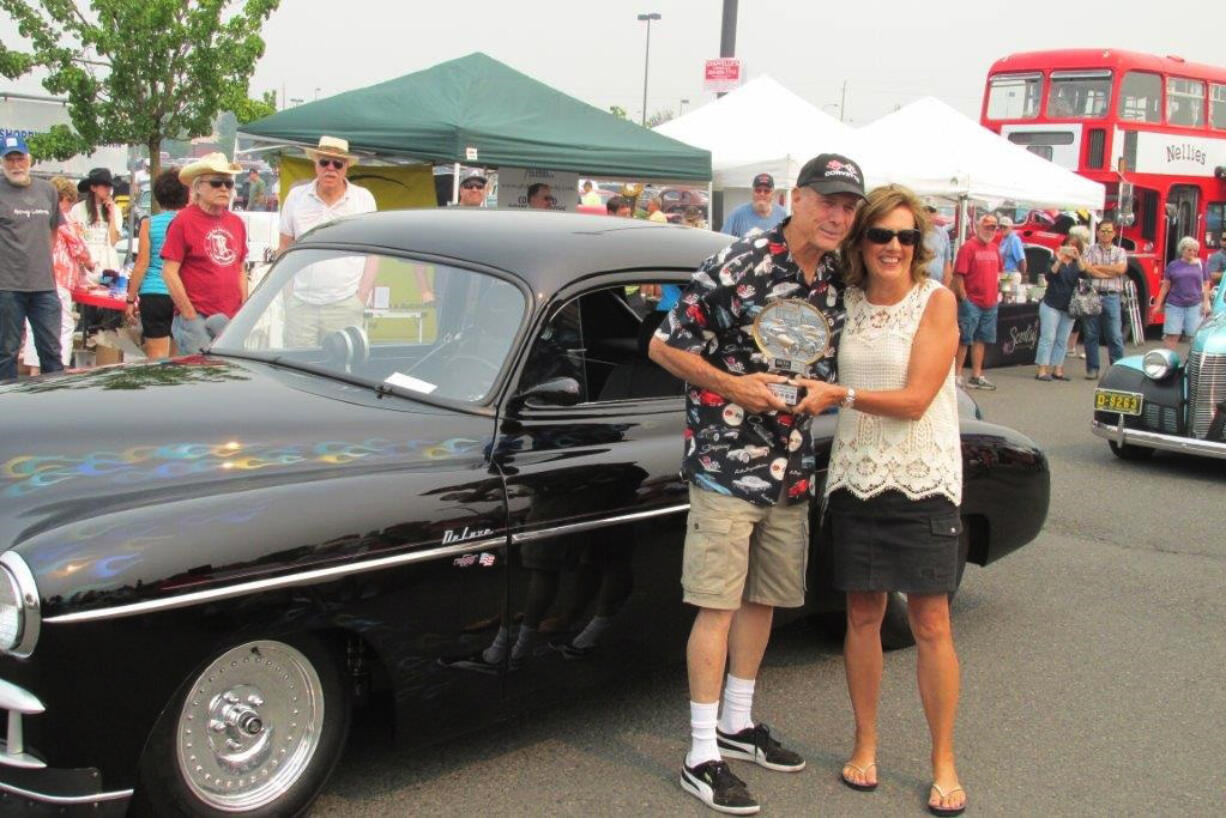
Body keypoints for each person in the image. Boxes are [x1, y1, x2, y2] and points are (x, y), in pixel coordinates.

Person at [649, 152, 866, 815]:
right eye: (826, 200)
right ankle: (699, 754)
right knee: (716, 602)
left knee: (764, 599)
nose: (837, 215)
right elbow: (664, 345)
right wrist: (733, 385)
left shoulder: (834, 275)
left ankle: (737, 725)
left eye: (848, 206)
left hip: (791, 462)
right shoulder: (740, 261)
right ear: (795, 199)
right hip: (726, 460)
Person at [801, 184, 965, 817]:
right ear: (861, 240)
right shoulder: (843, 304)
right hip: (855, 477)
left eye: (906, 237)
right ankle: (864, 743)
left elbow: (917, 399)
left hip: (923, 479)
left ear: (917, 245)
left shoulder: (936, 302)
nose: (893, 247)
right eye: (881, 235)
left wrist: (835, 396)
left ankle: (942, 760)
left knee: (931, 623)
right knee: (863, 616)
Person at [278, 136, 379, 344]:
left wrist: (361, 296)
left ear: (346, 168)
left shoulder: (363, 199)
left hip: (345, 304)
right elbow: (284, 247)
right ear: (315, 164)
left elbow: (373, 251)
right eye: (324, 162)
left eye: (337, 164)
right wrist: (288, 295)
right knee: (295, 370)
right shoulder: (296, 197)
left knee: (340, 370)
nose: (330, 168)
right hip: (301, 304)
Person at [161, 153, 248, 354]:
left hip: (230, 319)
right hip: (197, 318)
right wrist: (189, 315)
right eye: (217, 183)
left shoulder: (237, 223)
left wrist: (244, 311)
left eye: (229, 183)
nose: (224, 188)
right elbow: (169, 272)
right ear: (198, 187)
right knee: (199, 380)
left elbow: (240, 270)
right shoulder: (183, 221)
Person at [0, 134, 66, 380]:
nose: (16, 165)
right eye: (10, 160)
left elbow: (53, 230)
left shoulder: (47, 190)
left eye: (20, 158)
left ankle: (57, 406)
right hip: (7, 287)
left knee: (51, 350)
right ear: (2, 163)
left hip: (44, 286)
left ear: (29, 160)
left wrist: (41, 260)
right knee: (6, 352)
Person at [21, 176, 92, 374]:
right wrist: (90, 263)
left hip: (34, 276)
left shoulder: (35, 215)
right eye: (70, 201)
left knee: (35, 328)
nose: (70, 206)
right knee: (63, 327)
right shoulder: (62, 217)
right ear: (61, 198)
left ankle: (34, 372)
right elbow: (78, 248)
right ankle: (59, 373)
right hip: (58, 279)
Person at [126, 169, 190, 359]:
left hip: (153, 293)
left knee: (156, 359)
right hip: (182, 294)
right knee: (179, 359)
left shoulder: (149, 223)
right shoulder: (189, 223)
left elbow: (141, 263)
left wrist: (130, 300)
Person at [952, 213, 1002, 389]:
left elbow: (999, 272)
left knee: (982, 339)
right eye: (987, 227)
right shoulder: (968, 247)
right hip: (972, 301)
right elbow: (958, 275)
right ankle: (957, 376)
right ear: (978, 227)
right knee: (965, 339)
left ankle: (976, 375)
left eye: (993, 228)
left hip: (990, 302)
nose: (990, 231)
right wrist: (964, 298)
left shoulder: (995, 248)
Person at [1034, 234, 1086, 381]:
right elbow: (1049, 276)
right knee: (1048, 337)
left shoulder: (1078, 264)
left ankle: (1058, 369)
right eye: (1068, 245)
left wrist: (1078, 258)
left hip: (1069, 306)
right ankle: (1042, 369)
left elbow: (1086, 276)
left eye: (1074, 246)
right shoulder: (1054, 259)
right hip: (1051, 303)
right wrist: (1060, 259)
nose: (1070, 249)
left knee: (1062, 339)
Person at [1080, 219, 1128, 379]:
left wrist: (1097, 267)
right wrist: (1108, 272)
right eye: (1102, 230)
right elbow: (1086, 269)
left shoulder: (1120, 251)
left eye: (1109, 231)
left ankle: (1117, 370)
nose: (1105, 233)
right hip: (1091, 294)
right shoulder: (1088, 250)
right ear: (1098, 232)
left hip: (1112, 296)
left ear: (1114, 233)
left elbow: (1120, 269)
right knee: (1091, 334)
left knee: (1114, 335)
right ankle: (1092, 369)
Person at [1152, 236, 1211, 348]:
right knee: (1172, 335)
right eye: (1189, 250)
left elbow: (1206, 284)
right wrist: (1158, 304)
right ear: (1182, 250)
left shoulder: (1201, 264)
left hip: (1194, 304)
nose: (1192, 252)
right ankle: (1168, 362)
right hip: (1175, 304)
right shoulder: (1173, 265)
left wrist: (1205, 303)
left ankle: (1194, 362)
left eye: (1194, 250)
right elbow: (1165, 286)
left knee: (1194, 336)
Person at [70, 166, 122, 273]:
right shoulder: (77, 209)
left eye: (110, 186)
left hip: (108, 266)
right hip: (85, 266)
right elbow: (73, 240)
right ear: (93, 188)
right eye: (105, 186)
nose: (108, 190)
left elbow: (114, 241)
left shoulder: (115, 209)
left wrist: (111, 215)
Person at [720, 173, 787, 238]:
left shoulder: (782, 215)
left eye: (766, 191)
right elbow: (723, 242)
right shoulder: (737, 215)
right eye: (758, 190)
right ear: (752, 192)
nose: (762, 194)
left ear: (773, 193)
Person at [922, 197, 952, 286]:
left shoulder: (943, 234)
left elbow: (947, 263)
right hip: (917, 284)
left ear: (936, 213)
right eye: (924, 210)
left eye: (931, 211)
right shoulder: (913, 232)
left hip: (938, 286)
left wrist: (946, 288)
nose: (927, 213)